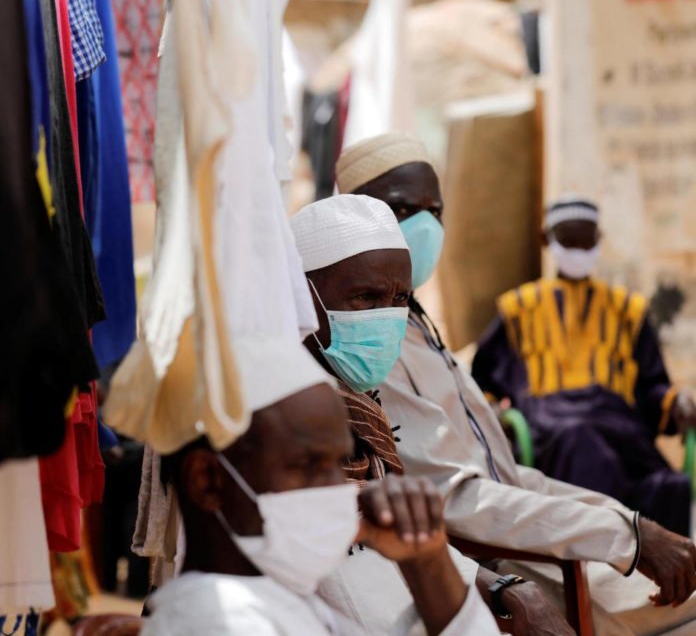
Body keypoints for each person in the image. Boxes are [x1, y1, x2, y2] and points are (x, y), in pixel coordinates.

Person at [333, 131, 696, 636]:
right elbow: (457, 497)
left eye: (433, 210)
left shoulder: (418, 325)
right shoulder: (372, 342)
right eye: (401, 207)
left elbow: (505, 473)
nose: (423, 224)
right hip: (509, 560)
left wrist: (628, 524)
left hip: (547, 530)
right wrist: (624, 534)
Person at [291, 194, 574, 636]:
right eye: (365, 297)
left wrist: (504, 587)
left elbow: (406, 542)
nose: (386, 316)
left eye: (400, 298)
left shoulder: (364, 410)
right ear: (300, 296)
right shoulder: (275, 419)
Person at [141, 337, 498, 635]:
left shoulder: (281, 600)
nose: (338, 487)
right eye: (308, 465)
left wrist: (426, 560)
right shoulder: (223, 622)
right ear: (207, 482)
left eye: (340, 461)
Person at [472, 195, 696, 537]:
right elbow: (481, 381)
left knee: (668, 485)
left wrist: (676, 401)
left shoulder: (628, 310)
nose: (578, 249)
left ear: (598, 242)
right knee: (581, 440)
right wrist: (494, 412)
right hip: (550, 429)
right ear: (546, 240)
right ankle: (612, 549)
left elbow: (653, 385)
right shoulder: (518, 309)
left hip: (622, 429)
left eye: (585, 240)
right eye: (569, 240)